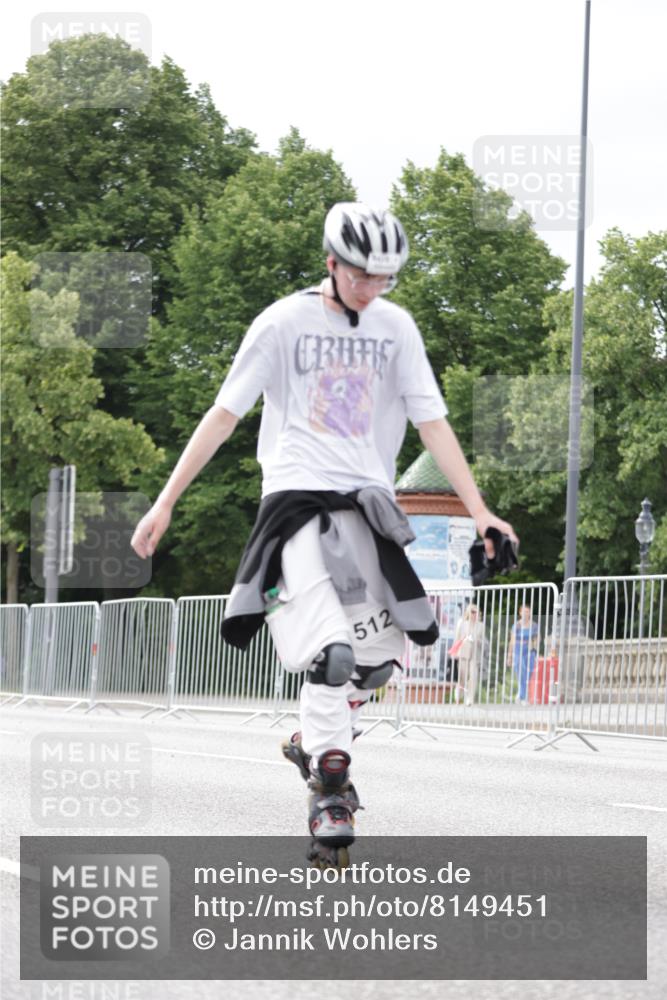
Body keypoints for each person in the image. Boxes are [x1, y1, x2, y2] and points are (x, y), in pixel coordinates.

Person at [130, 202, 518, 867]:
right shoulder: (281, 324)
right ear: (331, 264)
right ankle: (330, 794)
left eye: (385, 278)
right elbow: (224, 413)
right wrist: (166, 500)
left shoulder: (396, 328)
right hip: (294, 504)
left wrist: (479, 509)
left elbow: (432, 423)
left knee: (381, 659)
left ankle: (312, 736)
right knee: (331, 656)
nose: (373, 289)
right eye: (363, 276)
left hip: (367, 506)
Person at [452, 603, 486, 706]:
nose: (474, 614)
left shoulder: (481, 625)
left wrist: (477, 640)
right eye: (472, 611)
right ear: (468, 612)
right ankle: (458, 696)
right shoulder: (461, 623)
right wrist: (454, 652)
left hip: (475, 654)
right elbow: (457, 639)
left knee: (473, 677)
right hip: (463, 653)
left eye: (476, 612)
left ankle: (469, 699)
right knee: (462, 678)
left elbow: (483, 640)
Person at [507, 603, 538, 704]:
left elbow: (537, 639)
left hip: (529, 652)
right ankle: (523, 697)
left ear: (530, 613)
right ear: (520, 613)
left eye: (527, 611)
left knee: (528, 674)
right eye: (523, 611)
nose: (525, 613)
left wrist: (533, 646)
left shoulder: (534, 625)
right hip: (517, 651)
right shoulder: (516, 625)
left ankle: (520, 695)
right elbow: (512, 641)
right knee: (521, 674)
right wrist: (509, 656)